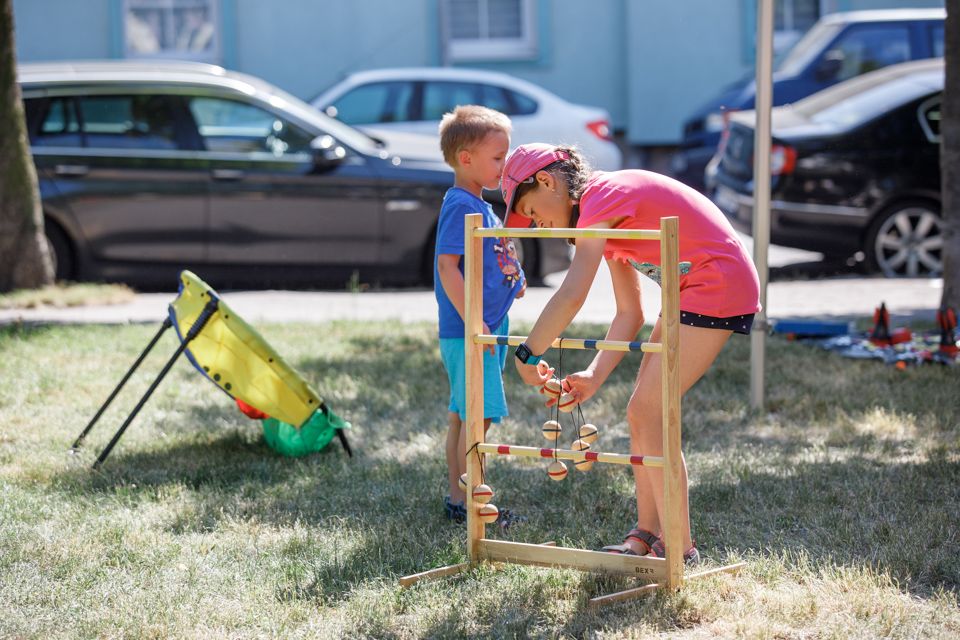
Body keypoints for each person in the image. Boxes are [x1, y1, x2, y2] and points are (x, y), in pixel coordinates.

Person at [502, 143, 760, 562]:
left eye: (532, 211)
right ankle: (646, 533)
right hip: (689, 291)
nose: (537, 224)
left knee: (648, 411)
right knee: (641, 413)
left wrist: (527, 353)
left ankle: (680, 549)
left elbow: (572, 293)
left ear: (546, 181)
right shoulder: (601, 213)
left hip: (717, 283)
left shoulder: (600, 199)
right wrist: (594, 375)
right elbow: (630, 312)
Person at [435, 106, 526, 522]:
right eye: (498, 158)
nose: (504, 166)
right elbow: (447, 266)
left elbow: (492, 259)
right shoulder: (460, 205)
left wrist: (515, 278)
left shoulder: (480, 205)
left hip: (484, 327)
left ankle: (459, 499)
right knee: (478, 419)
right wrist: (474, 319)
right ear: (466, 159)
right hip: (470, 330)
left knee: (464, 414)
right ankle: (473, 503)